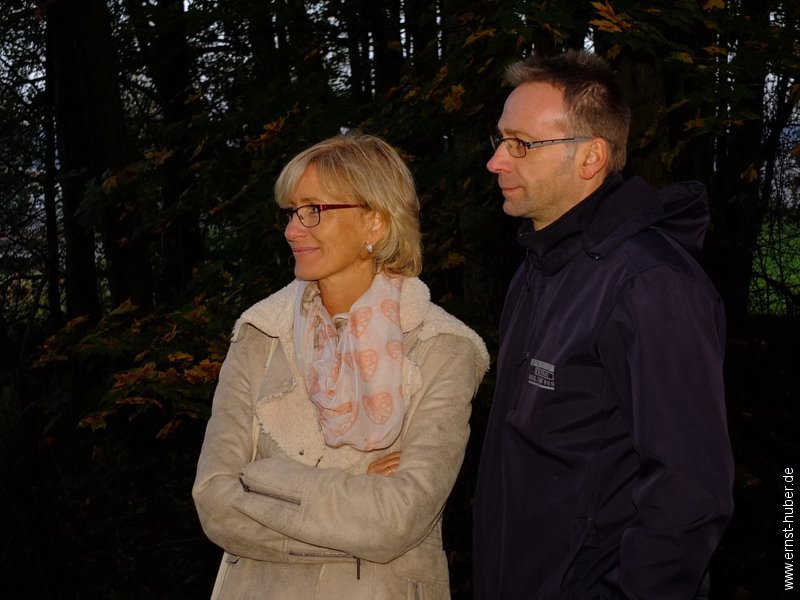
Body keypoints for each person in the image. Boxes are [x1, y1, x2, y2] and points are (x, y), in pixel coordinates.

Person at [472, 49, 734, 599]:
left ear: (590, 156)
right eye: (499, 139)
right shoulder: (536, 269)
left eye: (521, 143)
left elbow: (689, 490)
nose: (496, 161)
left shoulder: (651, 283)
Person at [193, 133, 489, 600]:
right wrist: (357, 492)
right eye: (291, 212)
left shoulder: (442, 348)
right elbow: (213, 498)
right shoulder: (261, 334)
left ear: (375, 222)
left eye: (313, 210)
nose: (292, 230)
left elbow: (397, 521)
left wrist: (260, 479)